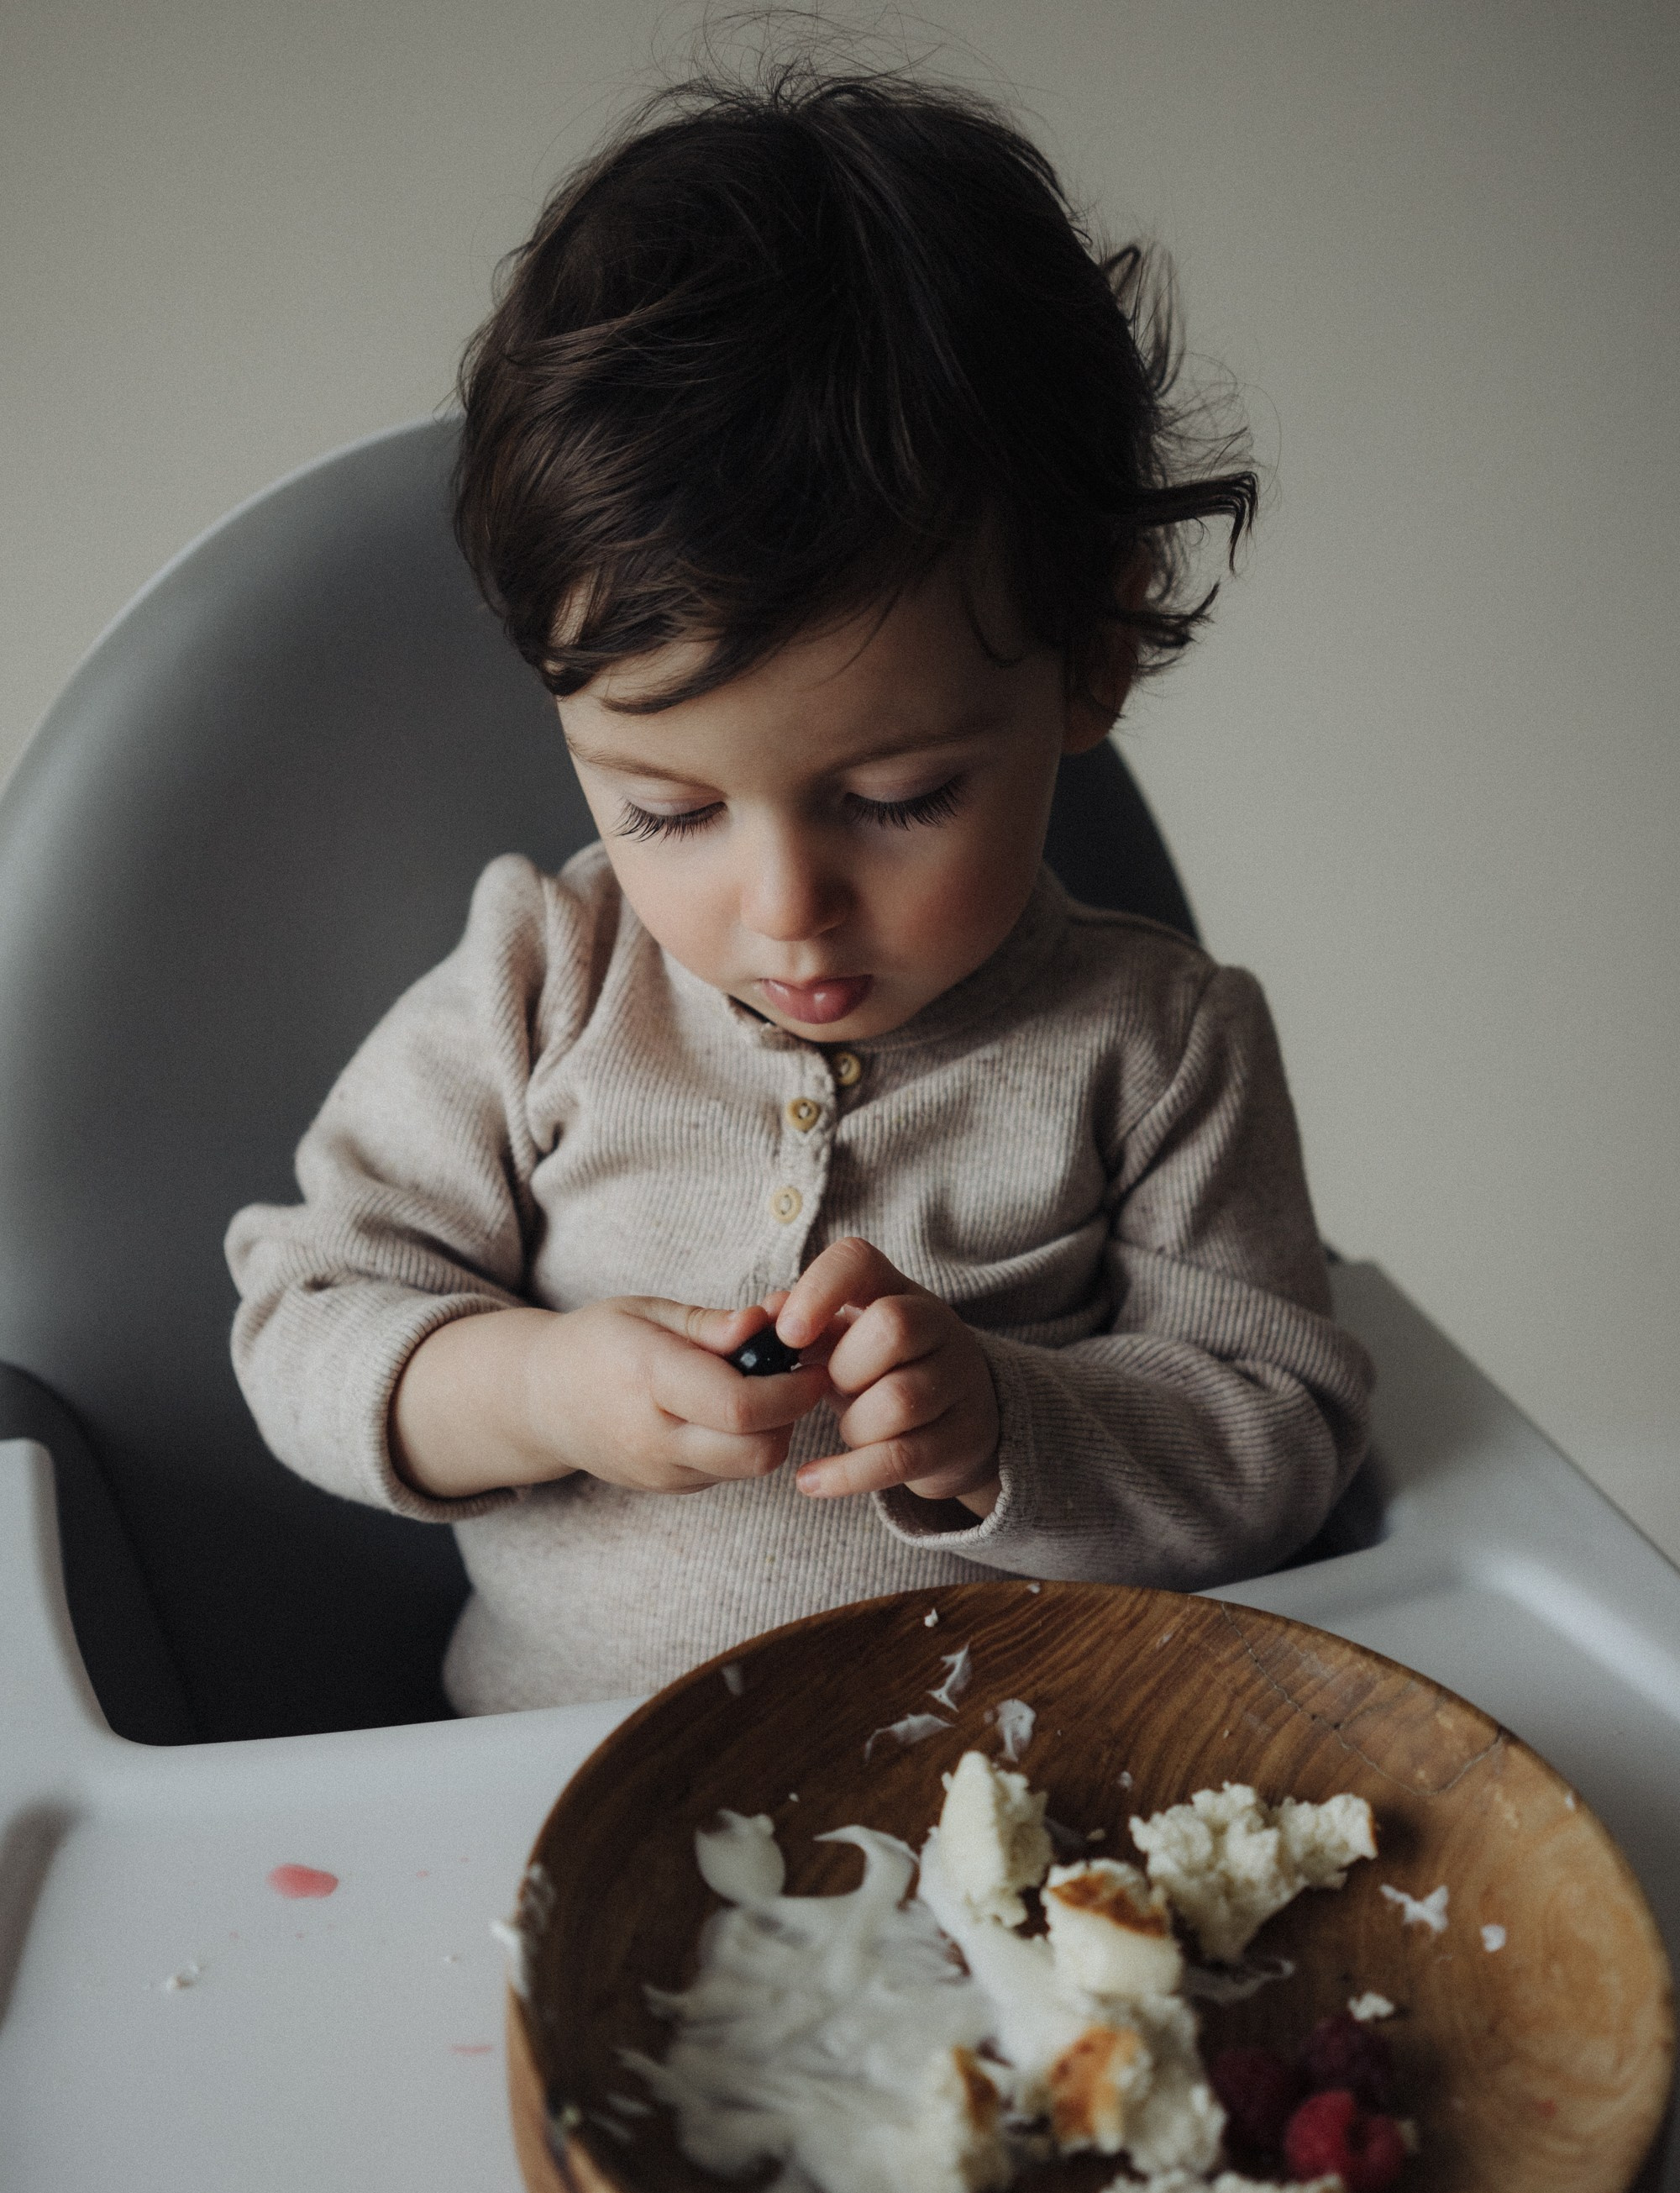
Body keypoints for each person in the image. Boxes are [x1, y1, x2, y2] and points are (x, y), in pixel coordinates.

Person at [226, 55, 1373, 1713]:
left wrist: (1007, 1424)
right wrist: (542, 1388)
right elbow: (306, 1325)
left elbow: (1284, 1435)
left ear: (1092, 656)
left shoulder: (1162, 1046)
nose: (785, 910)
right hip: (549, 1784)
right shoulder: (540, 984)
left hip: (1015, 1794)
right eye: (667, 810)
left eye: (896, 798)